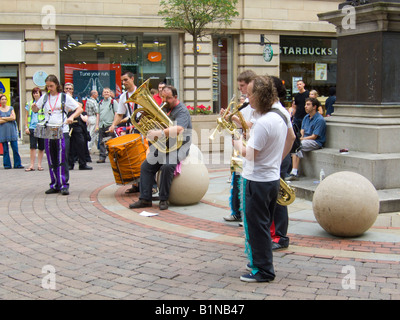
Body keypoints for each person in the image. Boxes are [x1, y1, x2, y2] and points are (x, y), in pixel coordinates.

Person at [233, 75, 288, 283]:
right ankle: (259, 261)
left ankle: (263, 269)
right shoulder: (279, 115)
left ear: (260, 95)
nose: (246, 98)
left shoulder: (265, 122)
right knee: (262, 224)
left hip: (256, 180)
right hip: (271, 179)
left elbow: (249, 154)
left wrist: (237, 142)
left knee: (256, 226)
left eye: (249, 94)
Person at [129, 85, 192, 211]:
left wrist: (159, 133)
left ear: (175, 97)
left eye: (168, 98)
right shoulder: (165, 108)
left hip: (180, 146)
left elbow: (179, 129)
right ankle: (145, 199)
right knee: (145, 167)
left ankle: (164, 199)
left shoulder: (181, 110)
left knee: (167, 166)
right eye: (163, 97)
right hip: (165, 145)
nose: (165, 101)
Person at [31, 74, 83, 195]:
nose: (50, 88)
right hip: (49, 129)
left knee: (61, 158)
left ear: (57, 85)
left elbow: (79, 108)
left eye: (52, 86)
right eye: (48, 86)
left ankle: (64, 184)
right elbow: (35, 110)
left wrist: (71, 117)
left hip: (62, 129)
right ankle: (55, 184)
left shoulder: (64, 97)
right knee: (51, 158)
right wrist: (34, 107)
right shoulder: (44, 97)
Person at [222, 70, 256, 223]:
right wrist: (229, 118)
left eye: (242, 86)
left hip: (252, 148)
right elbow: (241, 126)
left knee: (245, 183)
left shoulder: (256, 105)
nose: (241, 89)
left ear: (250, 84)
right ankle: (236, 211)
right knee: (236, 180)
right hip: (241, 146)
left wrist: (233, 117)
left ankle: (245, 214)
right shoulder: (246, 105)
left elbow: (252, 125)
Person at [269, 76, 296, 250]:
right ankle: (274, 234)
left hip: (278, 159)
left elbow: (291, 137)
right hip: (275, 158)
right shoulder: (274, 109)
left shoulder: (278, 111)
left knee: (278, 200)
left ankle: (280, 236)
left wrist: (278, 159)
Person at [286, 97, 327, 181]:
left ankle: (294, 172)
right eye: (305, 104)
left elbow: (314, 136)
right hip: (305, 140)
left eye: (308, 105)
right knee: (294, 144)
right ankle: (291, 171)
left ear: (314, 107)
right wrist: (299, 138)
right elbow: (302, 131)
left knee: (299, 146)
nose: (305, 106)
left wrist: (301, 140)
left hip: (315, 142)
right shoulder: (306, 117)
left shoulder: (320, 120)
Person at [64, 84, 92, 171]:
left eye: (70, 89)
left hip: (77, 123)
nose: (68, 90)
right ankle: (70, 164)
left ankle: (82, 164)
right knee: (69, 146)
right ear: (64, 90)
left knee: (81, 143)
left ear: (72, 90)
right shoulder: (61, 98)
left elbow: (80, 106)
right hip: (67, 124)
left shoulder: (76, 97)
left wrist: (71, 100)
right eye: (67, 88)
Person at [0, 94, 24, 170]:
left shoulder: (11, 108)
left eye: (5, 99)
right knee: (5, 149)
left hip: (12, 131)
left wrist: (3, 118)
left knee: (15, 148)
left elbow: (13, 118)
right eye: (2, 99)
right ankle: (7, 165)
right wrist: (8, 118)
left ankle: (17, 164)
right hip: (3, 132)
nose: (4, 101)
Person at [24, 87, 45, 171]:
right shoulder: (29, 104)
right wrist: (26, 127)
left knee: (41, 147)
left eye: (37, 92)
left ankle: (39, 165)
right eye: (34, 93)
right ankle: (32, 165)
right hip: (32, 127)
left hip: (41, 126)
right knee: (32, 147)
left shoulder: (44, 103)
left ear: (40, 93)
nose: (35, 94)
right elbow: (26, 116)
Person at [96, 87, 118, 163]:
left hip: (110, 125)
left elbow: (116, 113)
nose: (106, 93)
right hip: (102, 125)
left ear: (110, 94)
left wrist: (114, 124)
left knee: (111, 142)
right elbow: (98, 114)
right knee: (101, 142)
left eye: (107, 92)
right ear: (102, 94)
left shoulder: (113, 102)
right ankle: (102, 157)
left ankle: (114, 157)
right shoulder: (100, 103)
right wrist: (97, 125)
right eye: (105, 92)